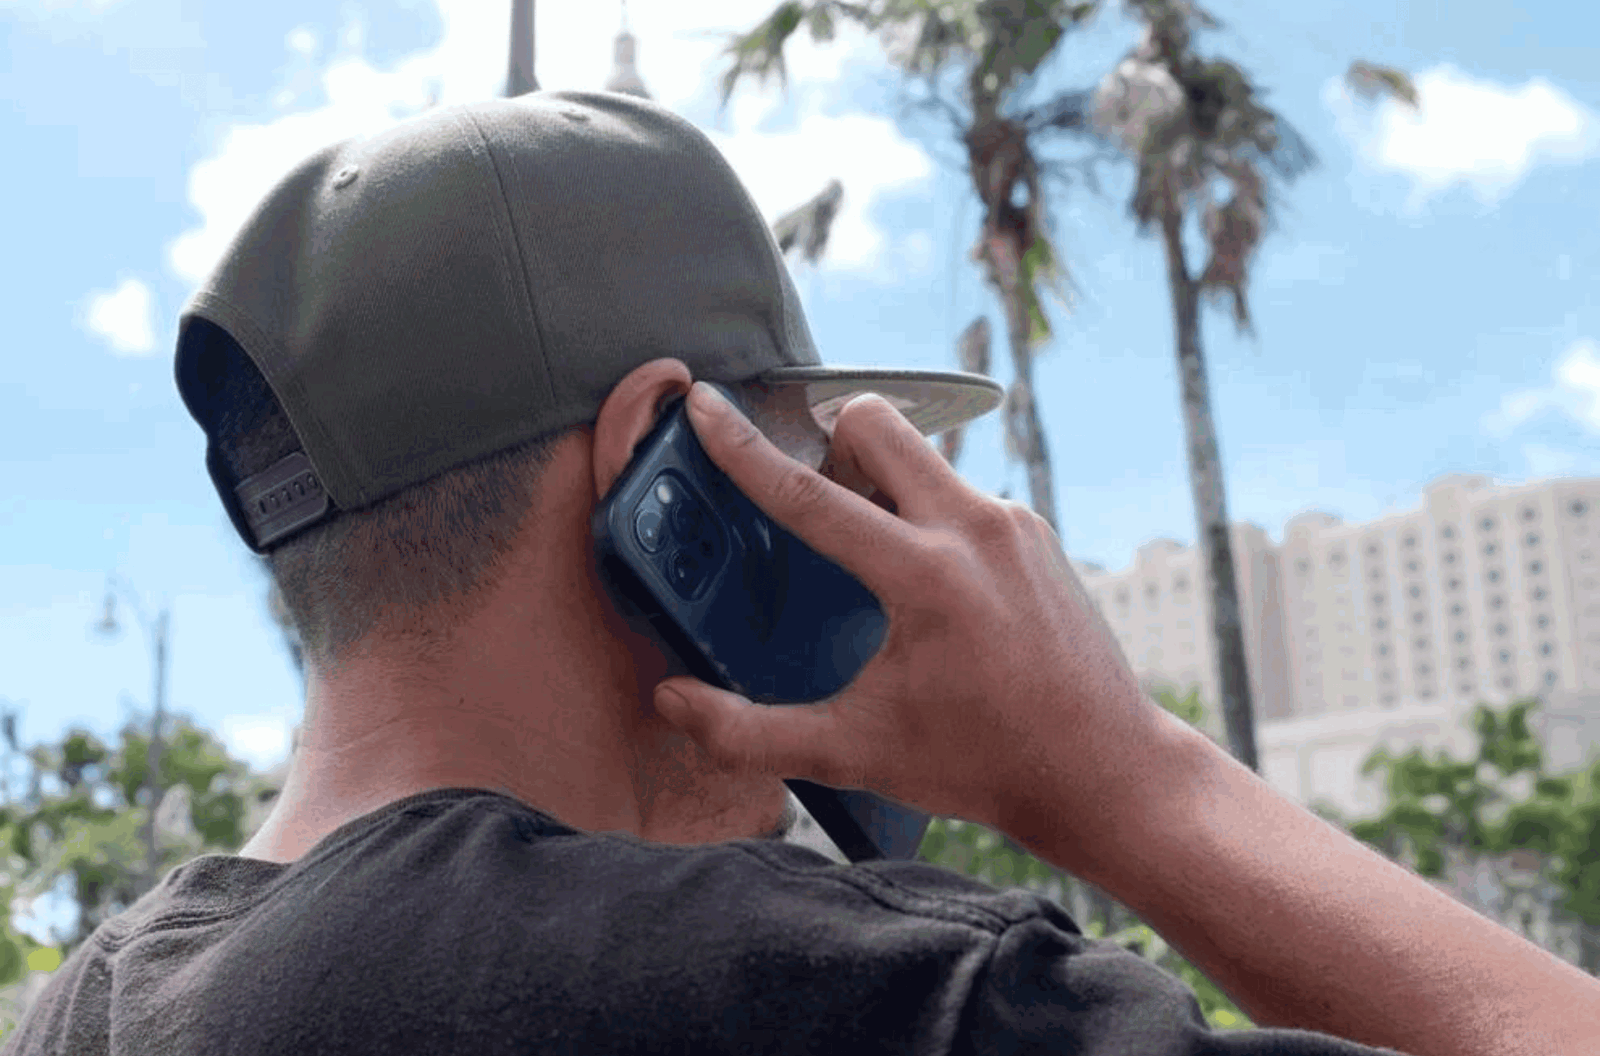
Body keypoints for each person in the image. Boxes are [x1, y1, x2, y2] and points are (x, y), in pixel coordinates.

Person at [9, 91, 1596, 1056]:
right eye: (819, 466)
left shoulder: (85, 1011)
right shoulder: (782, 995)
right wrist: (1130, 777)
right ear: (664, 474)